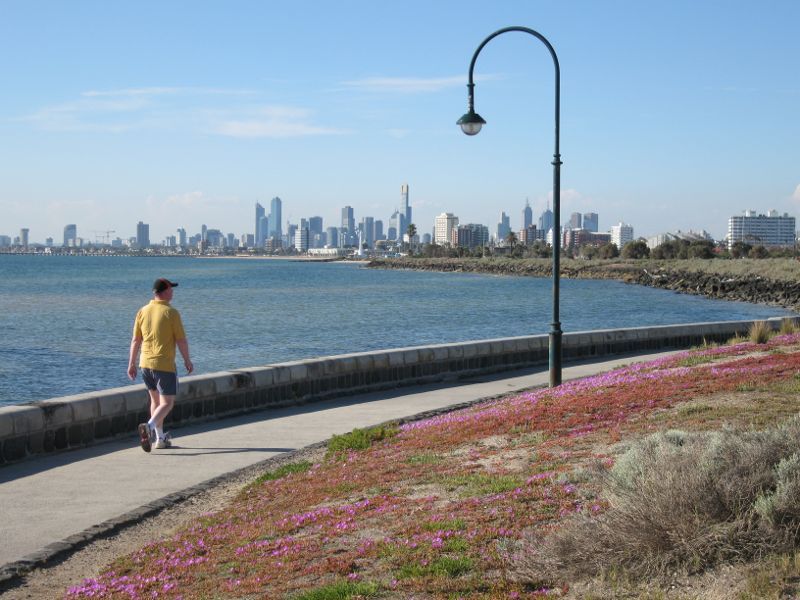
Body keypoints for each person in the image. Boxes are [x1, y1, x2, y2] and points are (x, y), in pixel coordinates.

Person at [127, 278, 193, 452]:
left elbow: (136, 340)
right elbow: (181, 340)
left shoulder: (142, 311)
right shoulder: (171, 313)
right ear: (164, 292)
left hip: (145, 364)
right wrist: (187, 360)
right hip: (163, 364)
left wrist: (131, 364)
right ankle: (148, 427)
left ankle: (160, 438)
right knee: (167, 403)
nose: (173, 292)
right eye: (171, 289)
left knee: (155, 401)